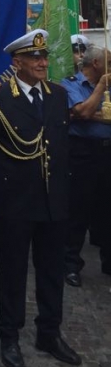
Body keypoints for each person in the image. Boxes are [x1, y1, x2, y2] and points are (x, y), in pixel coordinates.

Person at [0, 30, 82, 367]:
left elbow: (61, 150)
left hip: (54, 201)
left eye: (44, 57)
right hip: (15, 202)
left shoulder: (58, 96)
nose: (42, 63)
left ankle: (49, 332)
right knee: (13, 271)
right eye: (34, 58)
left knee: (51, 270)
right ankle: (9, 334)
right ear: (16, 62)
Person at [60, 44, 111, 288]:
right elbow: (81, 112)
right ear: (96, 64)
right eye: (109, 62)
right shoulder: (70, 84)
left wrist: (93, 113)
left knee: (107, 210)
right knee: (78, 210)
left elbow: (89, 113)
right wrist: (100, 90)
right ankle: (70, 264)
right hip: (81, 153)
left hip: (107, 150)